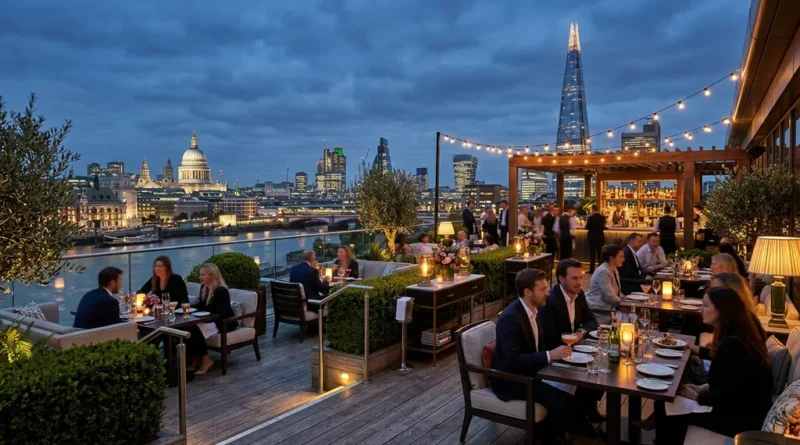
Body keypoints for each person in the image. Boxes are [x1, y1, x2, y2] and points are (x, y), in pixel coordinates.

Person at [654, 287, 773, 443]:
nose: (701, 309)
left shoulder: (733, 345)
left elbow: (726, 397)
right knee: (667, 403)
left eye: (706, 305)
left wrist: (695, 395)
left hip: (737, 420)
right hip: (740, 410)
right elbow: (730, 384)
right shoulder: (738, 336)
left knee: (664, 407)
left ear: (722, 310)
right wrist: (702, 388)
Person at [491, 268, 580, 442]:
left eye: (547, 288)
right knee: (565, 403)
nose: (547, 293)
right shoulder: (510, 318)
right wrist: (548, 356)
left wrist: (557, 356)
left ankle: (548, 434)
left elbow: (538, 346)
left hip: (532, 373)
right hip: (511, 380)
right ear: (527, 292)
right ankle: (543, 438)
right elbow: (512, 360)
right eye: (542, 289)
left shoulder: (534, 311)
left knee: (578, 391)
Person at [540, 258, 604, 424]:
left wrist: (581, 332)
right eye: (574, 278)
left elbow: (591, 320)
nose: (579, 282)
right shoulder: (550, 301)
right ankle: (579, 417)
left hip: (575, 347)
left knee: (602, 364)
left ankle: (589, 409)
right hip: (555, 352)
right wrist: (570, 340)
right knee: (590, 368)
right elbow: (548, 336)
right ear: (561, 279)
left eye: (581, 277)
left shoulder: (580, 294)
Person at [184, 263, 238, 375]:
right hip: (212, 319)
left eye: (203, 275)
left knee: (194, 330)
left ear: (212, 276)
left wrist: (200, 316)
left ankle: (206, 360)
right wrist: (191, 309)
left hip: (223, 322)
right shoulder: (204, 288)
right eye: (200, 274)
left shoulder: (221, 291)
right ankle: (195, 359)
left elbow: (220, 312)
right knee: (187, 328)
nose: (200, 277)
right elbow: (203, 306)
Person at [586, 245, 624, 324]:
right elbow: (610, 296)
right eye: (621, 257)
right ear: (611, 258)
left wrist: (626, 299)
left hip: (610, 308)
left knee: (632, 315)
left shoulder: (614, 269)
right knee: (627, 318)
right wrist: (625, 304)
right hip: (599, 311)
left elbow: (616, 292)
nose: (623, 259)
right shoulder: (603, 271)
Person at [585, 204, 607, 274]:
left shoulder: (590, 218)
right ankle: (600, 269)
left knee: (592, 254)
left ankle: (592, 270)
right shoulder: (602, 217)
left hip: (592, 238)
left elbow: (587, 227)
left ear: (593, 209)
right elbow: (603, 226)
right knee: (600, 254)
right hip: (600, 237)